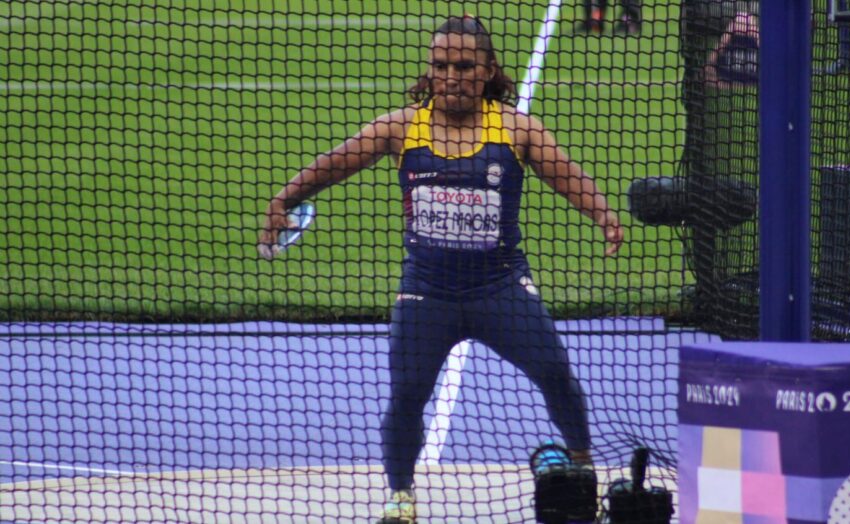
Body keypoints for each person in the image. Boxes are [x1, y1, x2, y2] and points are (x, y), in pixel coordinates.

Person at [257, 15, 624, 524]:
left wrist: (603, 215)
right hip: (427, 293)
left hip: (500, 288)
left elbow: (567, 175)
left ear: (488, 70)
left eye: (464, 66)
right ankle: (400, 496)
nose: (451, 76)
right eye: (441, 65)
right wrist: (285, 198)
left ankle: (583, 468)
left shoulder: (516, 129)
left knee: (554, 372)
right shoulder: (401, 127)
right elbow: (337, 162)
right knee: (408, 393)